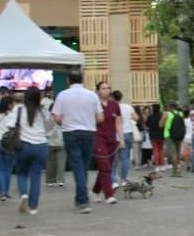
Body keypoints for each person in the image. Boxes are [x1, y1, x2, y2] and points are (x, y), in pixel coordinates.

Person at [51, 69, 103, 213]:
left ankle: (82, 200)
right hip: (89, 132)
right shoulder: (92, 95)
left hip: (71, 133)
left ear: (68, 80)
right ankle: (80, 198)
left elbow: (56, 117)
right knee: (83, 166)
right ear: (83, 79)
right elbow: (100, 118)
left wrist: (67, 123)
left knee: (77, 166)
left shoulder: (62, 95)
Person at [11, 86, 52, 215]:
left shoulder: (18, 110)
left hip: (23, 145)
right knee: (36, 176)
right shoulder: (43, 112)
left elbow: (10, 125)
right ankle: (33, 207)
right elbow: (50, 126)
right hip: (40, 146)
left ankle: (23, 194)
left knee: (22, 173)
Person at [91, 81, 121, 204]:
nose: (106, 91)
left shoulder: (114, 105)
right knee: (105, 166)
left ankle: (95, 191)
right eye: (103, 88)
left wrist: (122, 139)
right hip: (98, 138)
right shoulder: (93, 104)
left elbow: (118, 123)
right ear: (98, 90)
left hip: (112, 140)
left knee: (105, 167)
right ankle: (109, 195)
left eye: (108, 88)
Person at [114, 89, 137, 183]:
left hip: (115, 134)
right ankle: (124, 176)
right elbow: (136, 118)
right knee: (125, 157)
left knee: (114, 157)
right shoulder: (128, 107)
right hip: (128, 133)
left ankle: (114, 177)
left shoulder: (111, 107)